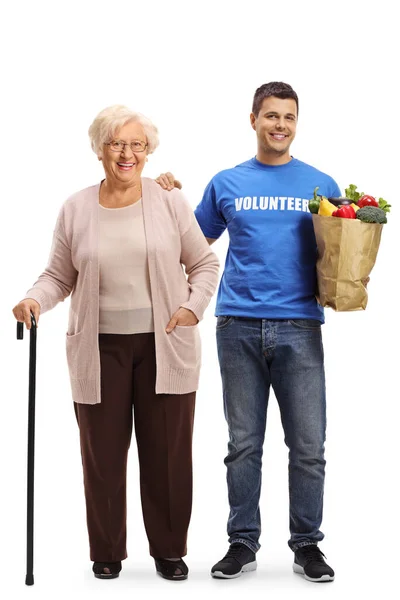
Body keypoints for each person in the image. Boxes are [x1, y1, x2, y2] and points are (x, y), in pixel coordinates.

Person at [12, 105, 219, 581]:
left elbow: (205, 264)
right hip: (99, 349)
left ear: (148, 152)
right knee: (102, 456)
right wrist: (33, 300)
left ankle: (169, 549)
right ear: (99, 149)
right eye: (116, 144)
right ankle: (106, 550)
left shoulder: (168, 200)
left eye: (137, 145)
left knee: (168, 453)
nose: (127, 153)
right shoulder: (76, 207)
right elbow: (58, 275)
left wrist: (191, 308)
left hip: (165, 345)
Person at [158, 82, 339, 583]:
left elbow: (342, 249)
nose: (280, 125)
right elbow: (192, 245)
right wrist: (169, 197)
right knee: (243, 444)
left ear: (296, 123)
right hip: (236, 324)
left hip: (300, 326)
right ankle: (242, 541)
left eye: (289, 117)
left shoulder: (321, 184)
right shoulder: (227, 182)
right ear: (253, 119)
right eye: (271, 116)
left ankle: (307, 544)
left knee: (308, 446)